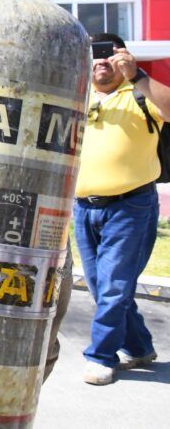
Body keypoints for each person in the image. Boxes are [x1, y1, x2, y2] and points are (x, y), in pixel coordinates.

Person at [74, 32, 168, 385]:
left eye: (109, 55)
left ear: (123, 57)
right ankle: (140, 347)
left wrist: (138, 75)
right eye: (95, 55)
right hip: (84, 207)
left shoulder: (139, 94)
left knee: (114, 286)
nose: (101, 61)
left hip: (131, 205)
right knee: (103, 287)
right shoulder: (80, 96)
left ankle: (100, 356)